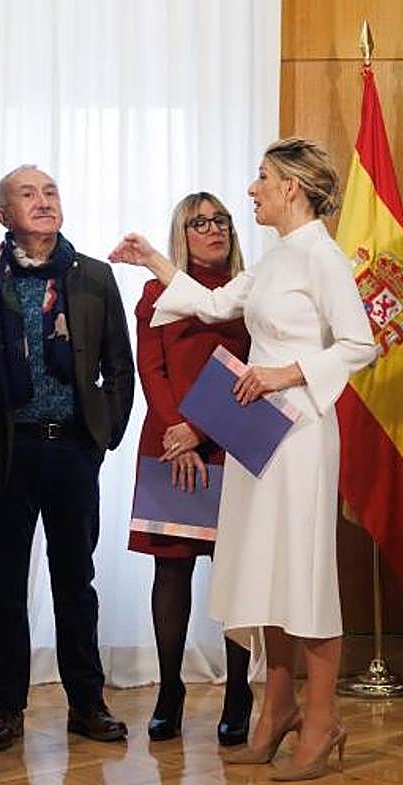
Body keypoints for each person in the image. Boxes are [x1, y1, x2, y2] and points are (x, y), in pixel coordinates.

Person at [109, 137, 377, 781]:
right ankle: (277, 710)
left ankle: (321, 720)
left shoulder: (322, 257)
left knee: (304, 573)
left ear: (292, 187)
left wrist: (285, 372)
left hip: (302, 434)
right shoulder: (276, 258)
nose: (251, 189)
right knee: (263, 569)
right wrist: (151, 258)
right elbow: (211, 305)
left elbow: (360, 343)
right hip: (258, 433)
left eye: (261, 178)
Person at [0, 165, 135, 751]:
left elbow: (118, 367)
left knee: (75, 581)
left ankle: (87, 703)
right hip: (3, 453)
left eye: (51, 192)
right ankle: (5, 709)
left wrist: (102, 436)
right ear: (2, 215)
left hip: (72, 450)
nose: (44, 201)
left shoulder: (94, 278)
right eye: (28, 194)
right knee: (3, 587)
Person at [128, 192, 253, 744]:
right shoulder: (158, 291)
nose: (212, 229)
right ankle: (170, 689)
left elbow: (256, 368)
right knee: (172, 569)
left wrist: (201, 431)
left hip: (233, 439)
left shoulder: (249, 290)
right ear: (182, 232)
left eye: (220, 219)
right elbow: (150, 369)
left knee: (236, 573)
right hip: (169, 442)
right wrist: (178, 434)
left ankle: (239, 693)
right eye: (199, 222)